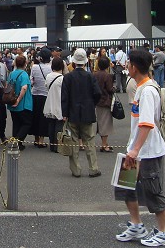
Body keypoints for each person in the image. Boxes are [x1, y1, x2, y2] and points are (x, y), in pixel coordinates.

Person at [115, 49, 165, 247]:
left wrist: (135, 150)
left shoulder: (148, 90)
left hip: (147, 151)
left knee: (153, 191)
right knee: (125, 187)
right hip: (136, 148)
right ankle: (137, 225)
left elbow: (147, 124)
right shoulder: (140, 86)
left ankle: (164, 233)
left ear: (134, 66)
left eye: (128, 63)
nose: (126, 66)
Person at [60, 48, 101, 178]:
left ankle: (76, 169)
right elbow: (98, 93)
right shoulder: (90, 76)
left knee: (73, 141)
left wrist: (64, 113)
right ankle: (93, 168)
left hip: (72, 112)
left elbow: (64, 97)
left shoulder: (68, 77)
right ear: (85, 62)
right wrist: (92, 104)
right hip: (87, 112)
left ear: (73, 62)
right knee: (89, 140)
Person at [5, 54, 32, 150]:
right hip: (23, 103)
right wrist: (18, 99)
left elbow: (8, 85)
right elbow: (24, 87)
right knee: (27, 122)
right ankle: (18, 140)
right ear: (25, 63)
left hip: (11, 101)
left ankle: (15, 141)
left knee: (16, 123)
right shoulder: (24, 74)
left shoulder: (12, 73)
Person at [30, 48, 52, 147]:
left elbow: (31, 81)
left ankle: (36, 138)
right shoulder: (51, 68)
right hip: (46, 95)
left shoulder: (34, 67)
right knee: (43, 118)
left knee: (35, 116)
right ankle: (41, 141)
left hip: (35, 94)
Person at [43, 56, 65, 153]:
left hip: (50, 101)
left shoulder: (48, 76)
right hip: (59, 101)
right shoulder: (62, 78)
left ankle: (52, 144)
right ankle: (57, 145)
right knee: (59, 125)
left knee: (51, 124)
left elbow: (46, 87)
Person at [94, 56, 114, 152]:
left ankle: (104, 143)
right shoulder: (107, 76)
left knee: (100, 122)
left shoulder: (94, 75)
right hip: (105, 101)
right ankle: (104, 144)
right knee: (105, 123)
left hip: (96, 101)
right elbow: (110, 89)